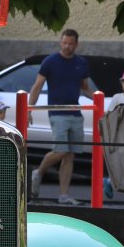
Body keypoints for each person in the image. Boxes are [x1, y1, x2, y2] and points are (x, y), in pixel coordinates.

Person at [28, 29, 95, 206]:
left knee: (70, 155)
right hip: (57, 112)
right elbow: (37, 86)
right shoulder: (50, 61)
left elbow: (85, 87)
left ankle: (64, 195)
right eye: (64, 43)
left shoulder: (81, 63)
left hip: (75, 113)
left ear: (76, 44)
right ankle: (38, 172)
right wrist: (29, 109)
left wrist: (99, 100)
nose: (67, 46)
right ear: (60, 42)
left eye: (70, 44)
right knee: (61, 150)